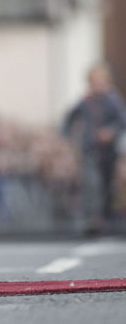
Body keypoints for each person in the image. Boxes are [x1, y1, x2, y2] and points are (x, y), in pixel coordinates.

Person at [64, 63, 126, 232]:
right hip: (90, 149)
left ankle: (106, 217)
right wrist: (69, 137)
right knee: (92, 183)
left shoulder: (112, 100)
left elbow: (122, 121)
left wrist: (111, 132)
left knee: (107, 185)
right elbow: (69, 119)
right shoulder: (86, 101)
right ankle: (92, 218)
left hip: (108, 151)